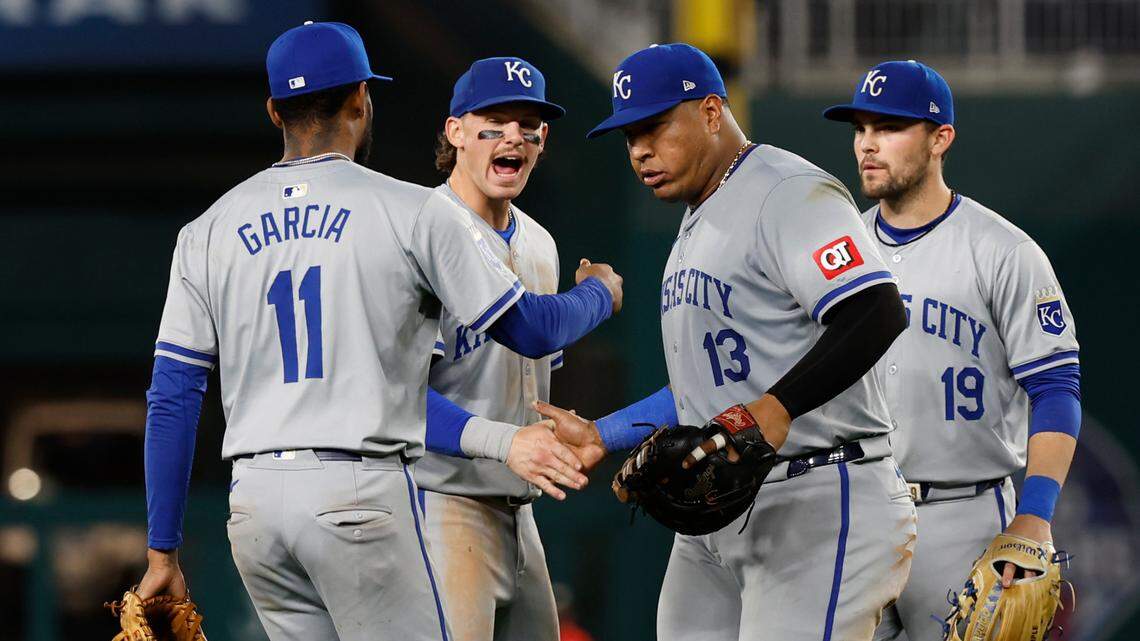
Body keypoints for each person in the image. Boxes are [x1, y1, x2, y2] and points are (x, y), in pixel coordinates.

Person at [133, 21, 622, 641]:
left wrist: (162, 553)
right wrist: (602, 293)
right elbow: (530, 327)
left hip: (253, 506)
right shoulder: (410, 209)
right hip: (357, 491)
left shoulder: (206, 230)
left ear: (273, 110)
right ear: (362, 100)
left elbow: (172, 398)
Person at [538, 43, 916, 641]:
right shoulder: (698, 214)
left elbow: (875, 311)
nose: (639, 150)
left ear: (712, 111)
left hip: (818, 494)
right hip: (723, 510)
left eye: (655, 128)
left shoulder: (784, 191)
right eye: (628, 136)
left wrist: (774, 409)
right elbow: (707, 387)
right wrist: (603, 435)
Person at [822, 60, 1081, 641]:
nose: (867, 144)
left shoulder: (1004, 252)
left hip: (962, 518)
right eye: (860, 128)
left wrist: (1035, 514)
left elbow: (1056, 389)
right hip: (853, 512)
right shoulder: (838, 252)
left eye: (888, 128)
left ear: (941, 138)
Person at [414, 56, 580, 641]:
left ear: (543, 141)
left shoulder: (541, 243)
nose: (513, 136)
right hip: (441, 504)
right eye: (495, 121)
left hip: (520, 512)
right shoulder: (422, 229)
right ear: (455, 131)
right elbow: (397, 398)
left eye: (527, 124)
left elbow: (531, 388)